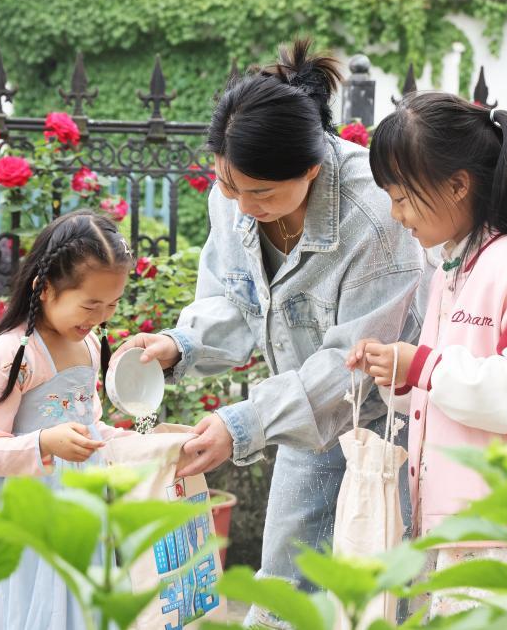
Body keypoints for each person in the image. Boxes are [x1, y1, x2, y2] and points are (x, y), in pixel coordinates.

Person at [113, 39, 428, 627]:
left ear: (313, 167)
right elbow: (237, 296)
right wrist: (181, 344)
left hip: (392, 424)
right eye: (230, 187)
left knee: (385, 590)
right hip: (303, 419)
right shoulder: (234, 195)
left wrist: (244, 425)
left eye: (261, 193)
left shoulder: (375, 216)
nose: (243, 204)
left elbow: (353, 364)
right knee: (285, 585)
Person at [348, 92, 507, 617]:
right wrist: (398, 375)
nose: (396, 215)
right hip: (462, 523)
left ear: (458, 185)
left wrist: (420, 365)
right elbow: (456, 389)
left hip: (502, 532)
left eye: (401, 197)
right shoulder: (457, 266)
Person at [0, 210, 137, 630]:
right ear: (44, 289)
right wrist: (45, 443)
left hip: (76, 504)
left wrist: (130, 442)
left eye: (112, 305)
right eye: (90, 304)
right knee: (19, 602)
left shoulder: (89, 344)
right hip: (20, 509)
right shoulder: (14, 354)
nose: (100, 317)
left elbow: (88, 421)